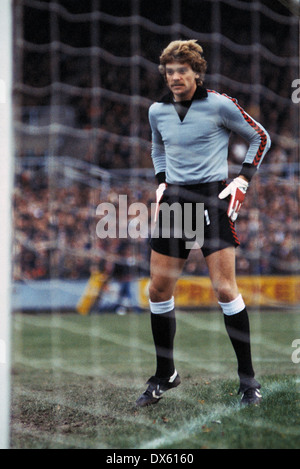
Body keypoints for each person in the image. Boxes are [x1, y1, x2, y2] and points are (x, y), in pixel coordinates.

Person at [136, 40, 271, 407]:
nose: (175, 77)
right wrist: (161, 179)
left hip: (212, 197)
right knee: (158, 290)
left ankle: (248, 382)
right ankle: (166, 374)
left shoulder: (219, 104)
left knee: (225, 290)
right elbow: (157, 147)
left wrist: (242, 179)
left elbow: (260, 136)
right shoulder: (156, 111)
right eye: (170, 71)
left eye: (182, 70)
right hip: (176, 200)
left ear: (197, 72)